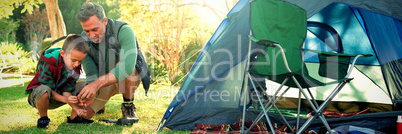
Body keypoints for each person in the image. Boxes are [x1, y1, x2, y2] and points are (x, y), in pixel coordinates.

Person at [75, 2, 150, 125]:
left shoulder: (124, 30)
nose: (91, 35)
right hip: (103, 81)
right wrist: (92, 92)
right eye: (87, 31)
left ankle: (128, 106)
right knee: (80, 117)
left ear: (104, 21)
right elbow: (91, 73)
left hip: (126, 79)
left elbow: (128, 67)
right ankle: (100, 105)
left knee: (125, 66)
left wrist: (96, 84)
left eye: (95, 29)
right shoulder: (83, 40)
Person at [26, 34, 92, 129]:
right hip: (39, 97)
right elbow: (46, 87)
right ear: (62, 54)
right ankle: (43, 119)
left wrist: (76, 108)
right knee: (44, 89)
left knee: (86, 84)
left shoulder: (75, 67)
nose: (76, 64)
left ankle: (74, 118)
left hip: (59, 96)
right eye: (73, 60)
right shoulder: (49, 61)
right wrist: (66, 99)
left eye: (80, 61)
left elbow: (66, 89)